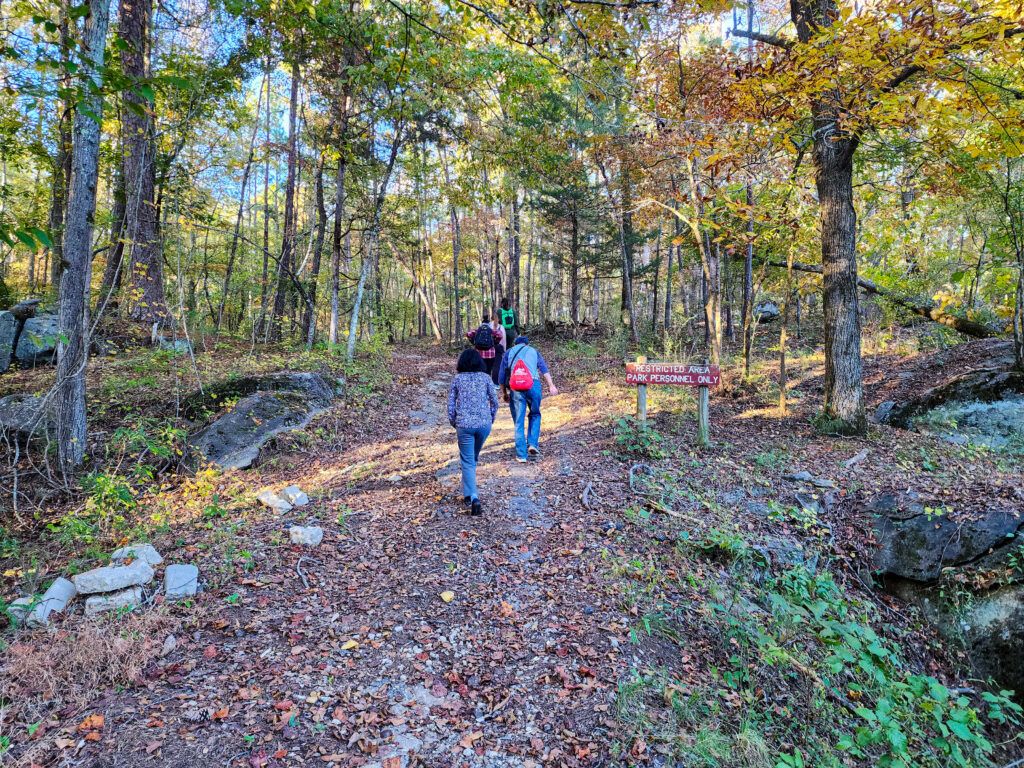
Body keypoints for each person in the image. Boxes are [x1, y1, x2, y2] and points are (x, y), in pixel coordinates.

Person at [447, 348, 498, 516]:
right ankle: (468, 493)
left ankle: (473, 497)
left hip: (464, 425)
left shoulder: (457, 379)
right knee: (473, 458)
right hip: (484, 424)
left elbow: (451, 404)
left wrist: (454, 421)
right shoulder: (486, 378)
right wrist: (490, 418)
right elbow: (494, 401)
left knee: (468, 461)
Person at [497, 336, 558, 463]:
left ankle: (521, 455)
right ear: (527, 343)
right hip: (533, 384)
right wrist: (551, 385)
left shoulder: (509, 352)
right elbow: (544, 370)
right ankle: (532, 445)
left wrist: (504, 393)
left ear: (515, 344)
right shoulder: (533, 351)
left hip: (516, 387)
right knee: (535, 414)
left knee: (519, 420)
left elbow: (501, 376)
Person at [489, 313, 506, 386]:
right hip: (498, 348)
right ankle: (495, 383)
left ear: (491, 319)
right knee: (497, 366)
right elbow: (504, 340)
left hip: (489, 348)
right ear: (498, 319)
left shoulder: (488, 326)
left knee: (489, 365)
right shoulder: (501, 327)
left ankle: (488, 382)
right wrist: (504, 350)